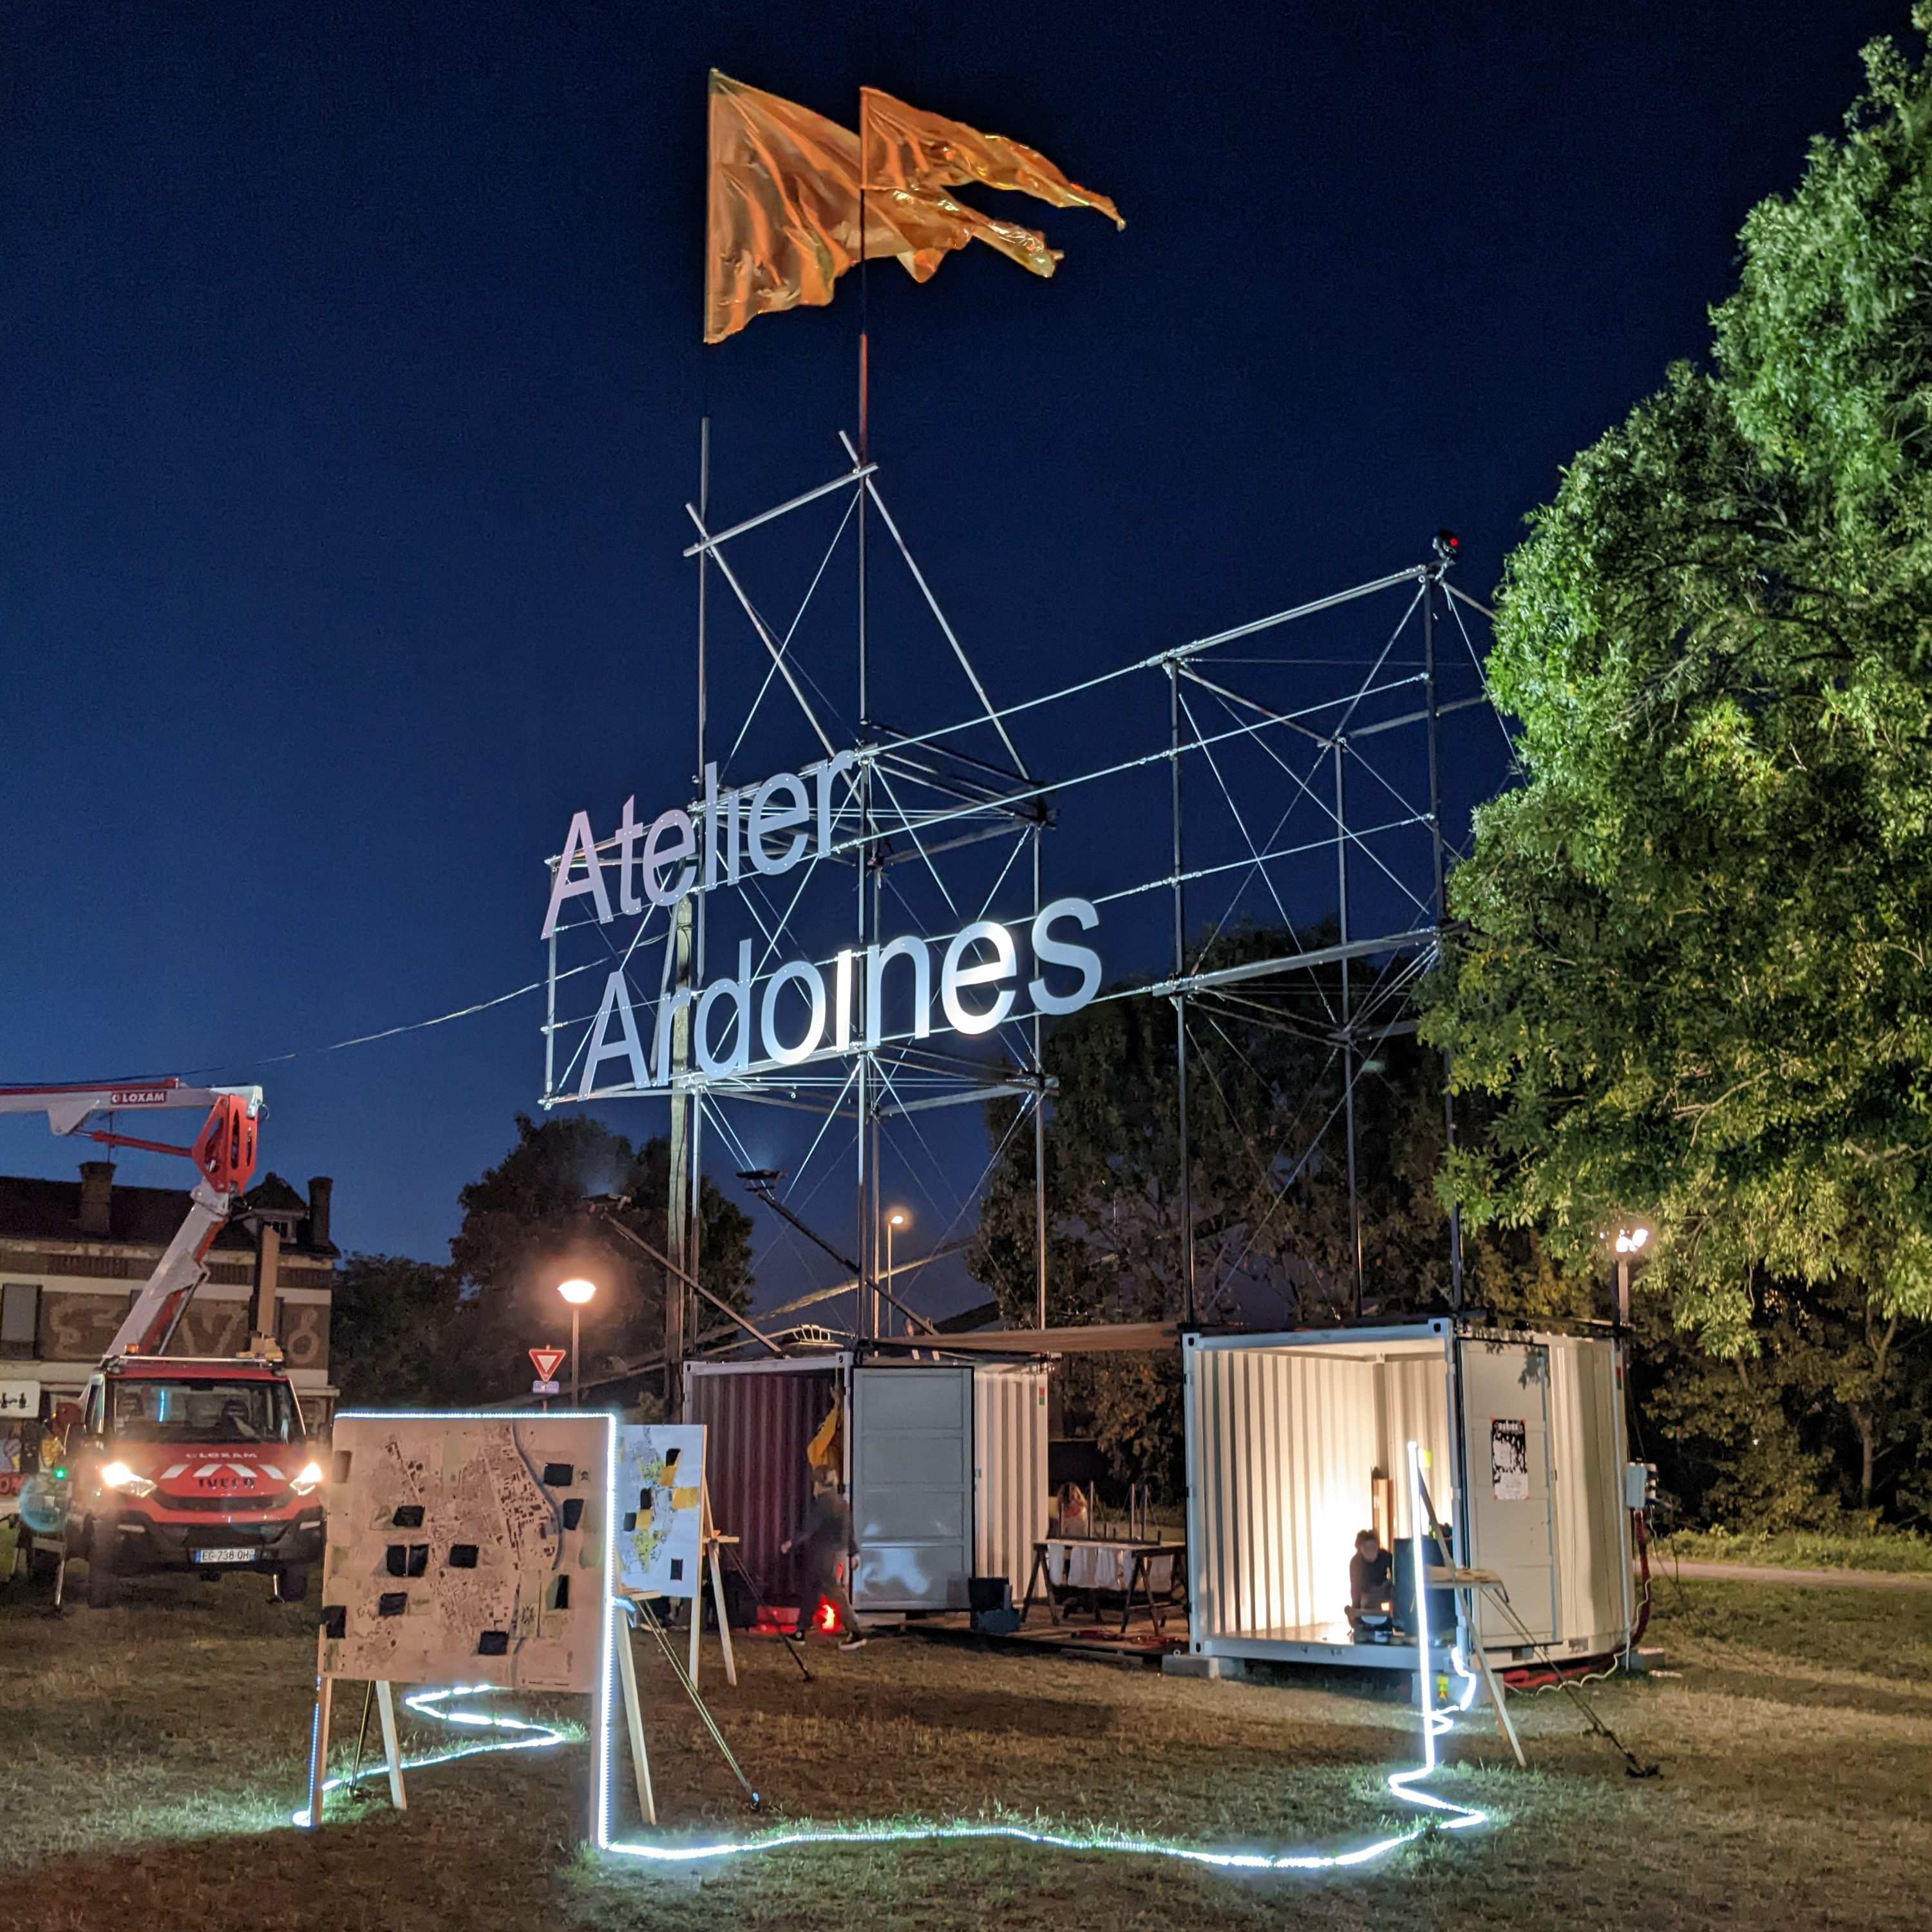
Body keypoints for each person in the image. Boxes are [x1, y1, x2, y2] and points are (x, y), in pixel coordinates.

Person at [782, 1473, 866, 1651]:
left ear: (819, 1485)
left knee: (832, 1590)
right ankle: (800, 1631)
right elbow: (848, 1532)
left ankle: (856, 1632)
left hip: (825, 1554)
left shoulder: (824, 1503)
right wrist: (854, 1553)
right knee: (812, 1589)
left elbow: (810, 1528)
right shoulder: (842, 1503)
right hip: (839, 1553)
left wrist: (791, 1543)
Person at [1347, 1528, 1392, 1633]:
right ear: (1360, 1548)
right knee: (1368, 1607)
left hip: (1383, 1588)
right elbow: (1355, 1588)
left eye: (1373, 1547)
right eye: (1366, 1547)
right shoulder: (1356, 1562)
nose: (1371, 1551)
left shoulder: (1385, 1556)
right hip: (1366, 1592)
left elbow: (1398, 1571)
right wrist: (1356, 1611)